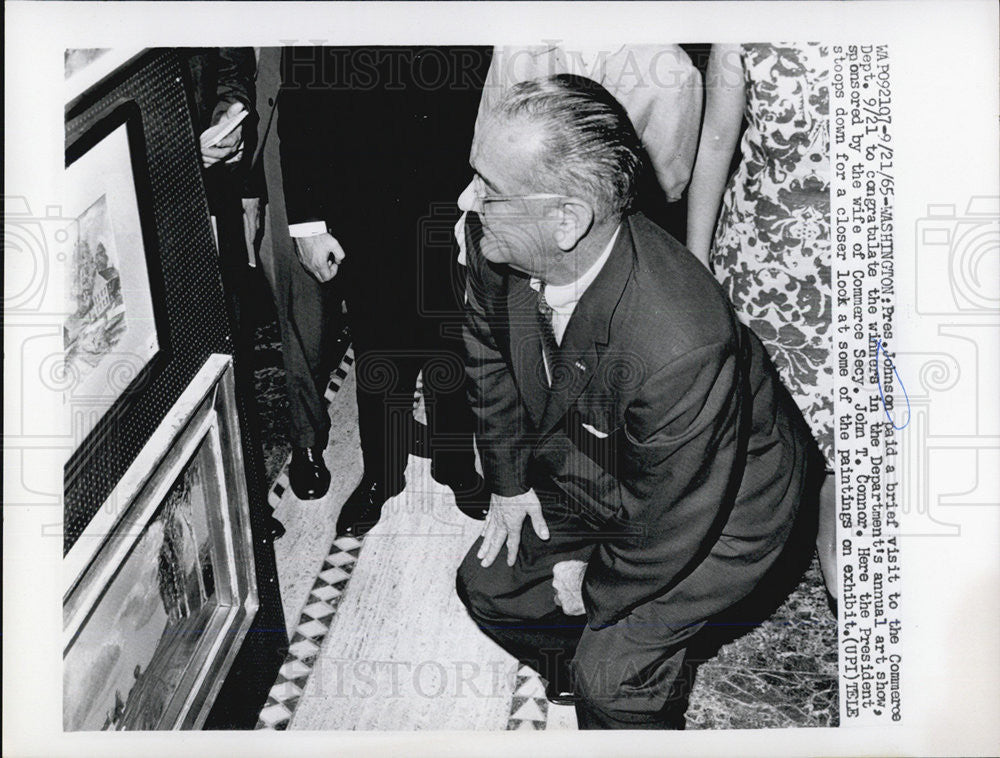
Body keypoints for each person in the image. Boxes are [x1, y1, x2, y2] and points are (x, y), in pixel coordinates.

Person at [454, 74, 819, 729]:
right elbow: (488, 359)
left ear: (565, 220)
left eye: (489, 188)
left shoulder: (680, 339)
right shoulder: (496, 244)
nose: (469, 200)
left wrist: (592, 581)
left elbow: (669, 520)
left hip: (719, 509)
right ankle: (577, 667)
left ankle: (618, 694)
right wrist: (509, 483)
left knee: (614, 684)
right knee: (490, 588)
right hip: (604, 457)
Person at [277, 46, 494, 532]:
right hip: (362, 187)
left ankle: (456, 463)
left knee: (454, 334)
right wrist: (308, 225)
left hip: (453, 181)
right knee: (379, 340)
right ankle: (382, 472)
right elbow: (301, 97)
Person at [685, 43, 837, 602]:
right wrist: (696, 268)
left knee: (847, 449)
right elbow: (718, 144)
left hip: (860, 270)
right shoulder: (743, 27)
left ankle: (852, 596)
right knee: (752, 429)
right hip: (758, 261)